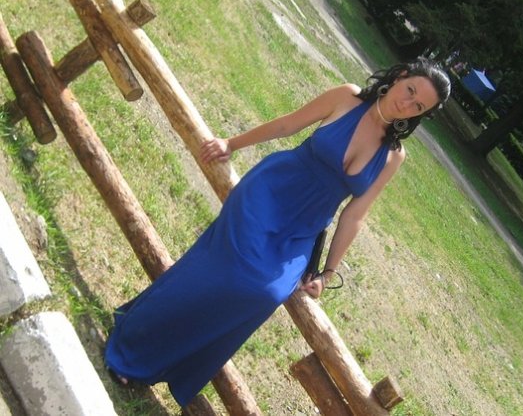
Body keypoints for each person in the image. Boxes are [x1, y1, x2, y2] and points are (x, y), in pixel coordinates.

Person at [104, 58, 451, 406]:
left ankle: (167, 362)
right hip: (270, 193)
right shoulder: (347, 97)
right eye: (410, 90)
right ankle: (134, 343)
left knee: (266, 293)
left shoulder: (393, 156)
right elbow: (287, 124)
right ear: (400, 76)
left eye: (418, 106)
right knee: (226, 272)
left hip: (302, 230)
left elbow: (354, 216)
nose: (407, 104)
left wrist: (327, 274)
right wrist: (231, 144)